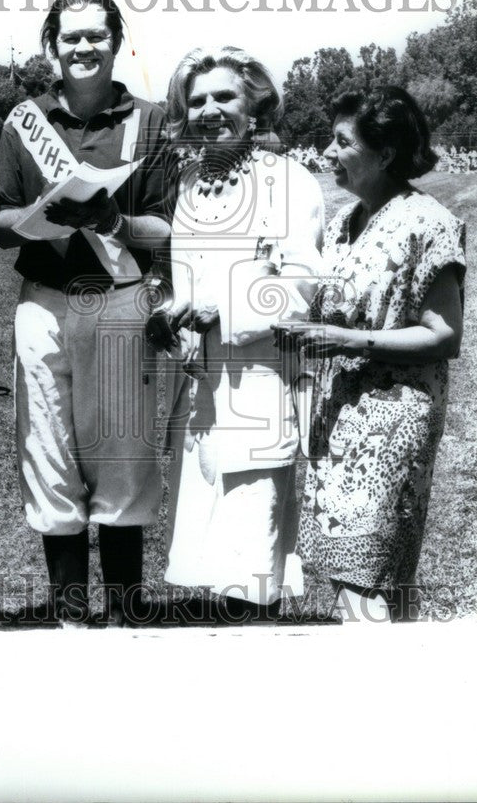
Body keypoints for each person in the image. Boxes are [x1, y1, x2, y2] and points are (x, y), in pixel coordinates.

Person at [0, 0, 176, 627]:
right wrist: (42, 216)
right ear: (53, 45)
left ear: (116, 41)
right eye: (71, 37)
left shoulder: (149, 122)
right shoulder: (24, 121)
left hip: (119, 302)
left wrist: (111, 218)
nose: (84, 47)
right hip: (43, 305)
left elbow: (165, 230)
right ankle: (70, 617)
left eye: (96, 35)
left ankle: (123, 617)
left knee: (121, 454)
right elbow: (2, 220)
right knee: (48, 451)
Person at [274, 86, 466, 623]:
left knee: (365, 580)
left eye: (341, 142)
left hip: (393, 422)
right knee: (369, 578)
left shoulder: (430, 224)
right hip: (338, 417)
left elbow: (445, 335)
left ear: (384, 153)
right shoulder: (344, 221)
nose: (326, 153)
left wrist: (348, 341)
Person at [149, 46, 324, 620]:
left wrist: (221, 308)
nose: (209, 110)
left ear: (254, 105)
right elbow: (184, 279)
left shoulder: (288, 180)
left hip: (260, 382)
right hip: (201, 389)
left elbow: (303, 284)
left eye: (224, 96)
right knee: (211, 541)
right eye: (196, 100)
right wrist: (169, 312)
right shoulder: (191, 182)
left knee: (252, 542)